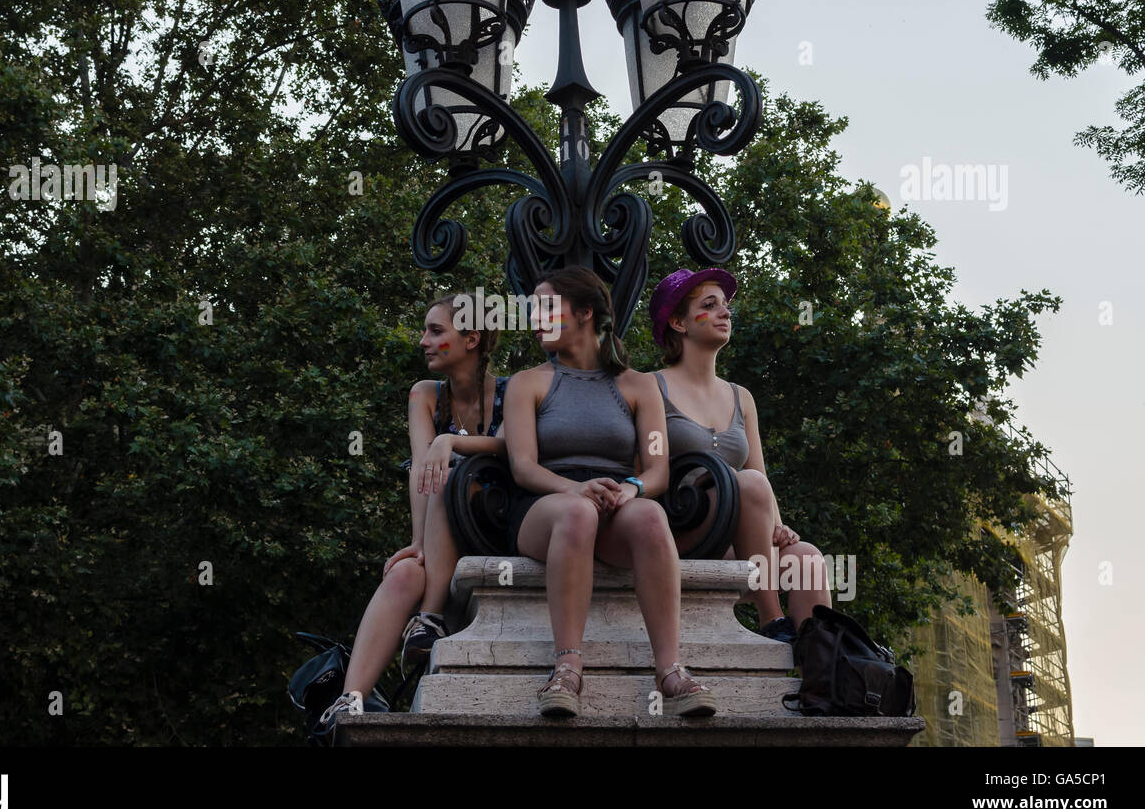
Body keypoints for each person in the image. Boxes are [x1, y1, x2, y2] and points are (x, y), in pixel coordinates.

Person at [502, 266, 717, 718]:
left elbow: (657, 467)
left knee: (653, 517)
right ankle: (567, 669)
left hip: (614, 499)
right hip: (545, 504)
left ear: (584, 313)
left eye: (546, 308)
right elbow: (522, 467)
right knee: (577, 513)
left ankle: (671, 670)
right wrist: (576, 488)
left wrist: (632, 488)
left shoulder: (639, 386)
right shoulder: (528, 382)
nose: (534, 319)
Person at [316, 291, 508, 738]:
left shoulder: (510, 391)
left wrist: (453, 442)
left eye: (436, 331)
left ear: (472, 338)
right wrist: (419, 543)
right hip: (440, 525)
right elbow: (422, 471)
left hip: (495, 524)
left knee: (451, 468)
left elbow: (516, 449)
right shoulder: (426, 395)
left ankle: (432, 615)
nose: (423, 340)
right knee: (402, 574)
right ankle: (352, 699)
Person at [649, 268, 832, 641]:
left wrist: (779, 526)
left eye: (726, 306)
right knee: (745, 484)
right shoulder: (650, 387)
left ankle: (822, 670)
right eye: (709, 305)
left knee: (807, 557)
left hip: (734, 541)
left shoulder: (740, 397)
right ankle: (771, 618)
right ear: (678, 322)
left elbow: (758, 473)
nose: (725, 313)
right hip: (680, 527)